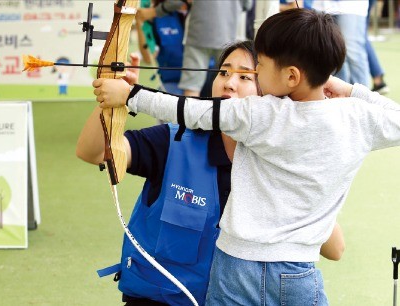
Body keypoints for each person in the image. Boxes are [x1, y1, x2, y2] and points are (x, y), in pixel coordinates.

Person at [92, 9, 399, 305]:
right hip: (298, 270)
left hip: (236, 267)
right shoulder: (359, 117)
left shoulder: (263, 114)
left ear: (292, 76)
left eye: (259, 67)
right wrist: (350, 90)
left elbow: (191, 110)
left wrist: (131, 96)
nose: (253, 74)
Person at [177, 0, 252, 96]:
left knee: (192, 86)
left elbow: (177, 2)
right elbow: (247, 4)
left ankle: (189, 111)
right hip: (227, 34)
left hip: (198, 32)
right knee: (230, 82)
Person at [312, 0, 370, 88]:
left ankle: (363, 98)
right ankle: (337, 98)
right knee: (328, 52)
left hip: (351, 6)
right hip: (321, 5)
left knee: (353, 53)